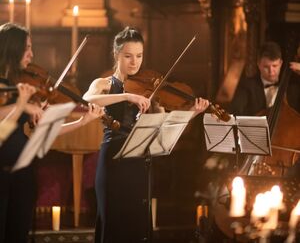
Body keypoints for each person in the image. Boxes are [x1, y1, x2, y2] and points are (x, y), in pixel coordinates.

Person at [83, 26, 209, 243]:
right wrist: (127, 96)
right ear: (116, 55)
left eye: (139, 56)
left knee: (137, 228)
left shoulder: (148, 90)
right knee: (112, 225)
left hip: (139, 163)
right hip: (112, 162)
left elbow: (165, 127)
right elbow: (88, 99)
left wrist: (192, 113)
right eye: (128, 56)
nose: (135, 62)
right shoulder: (103, 84)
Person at [0, 22, 103, 243]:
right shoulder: (5, 89)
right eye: (26, 48)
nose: (32, 54)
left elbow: (48, 131)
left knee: (18, 235)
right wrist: (22, 105)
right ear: (12, 49)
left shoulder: (22, 86)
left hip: (23, 172)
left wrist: (85, 120)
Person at [230, 41, 300, 116]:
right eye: (266, 67)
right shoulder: (247, 86)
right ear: (258, 64)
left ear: (281, 63)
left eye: (275, 66)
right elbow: (235, 112)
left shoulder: (293, 85)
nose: (271, 71)